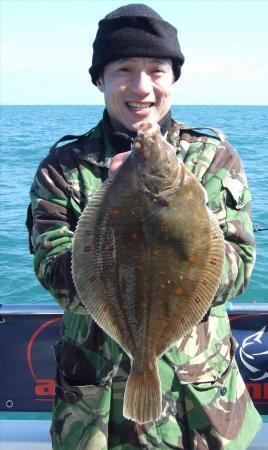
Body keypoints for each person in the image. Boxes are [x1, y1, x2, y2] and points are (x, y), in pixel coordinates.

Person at [27, 3, 262, 449]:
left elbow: (240, 267)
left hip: (202, 409)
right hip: (96, 413)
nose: (142, 87)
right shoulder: (62, 169)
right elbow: (55, 273)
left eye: (157, 70)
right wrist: (116, 212)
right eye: (123, 70)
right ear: (99, 79)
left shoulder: (214, 160)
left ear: (173, 78)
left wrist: (183, 234)